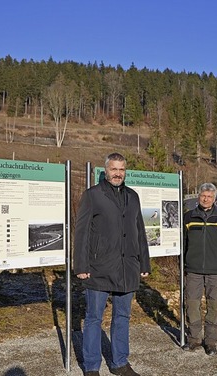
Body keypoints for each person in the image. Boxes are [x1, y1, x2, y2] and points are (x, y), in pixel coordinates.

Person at [73, 152, 151, 376]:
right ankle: (91, 367)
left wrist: (144, 262)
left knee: (123, 316)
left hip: (127, 268)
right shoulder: (93, 195)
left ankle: (119, 363)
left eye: (121, 169)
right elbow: (82, 233)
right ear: (105, 171)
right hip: (98, 268)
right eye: (114, 169)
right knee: (94, 318)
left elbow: (140, 232)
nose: (118, 173)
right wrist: (81, 266)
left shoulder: (133, 196)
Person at [182, 183, 217, 356]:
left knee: (213, 307)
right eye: (203, 195)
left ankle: (210, 342)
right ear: (199, 196)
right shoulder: (188, 217)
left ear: (214, 198)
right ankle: (194, 339)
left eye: (210, 196)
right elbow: (182, 243)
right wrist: (183, 264)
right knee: (192, 305)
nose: (206, 199)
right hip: (193, 270)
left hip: (215, 271)